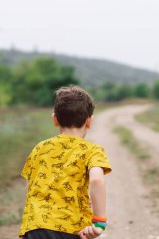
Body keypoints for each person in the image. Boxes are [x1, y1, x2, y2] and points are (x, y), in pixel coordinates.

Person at [19, 85, 112, 239]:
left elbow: (31, 186)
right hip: (71, 228)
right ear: (89, 121)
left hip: (36, 226)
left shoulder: (40, 148)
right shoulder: (92, 150)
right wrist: (99, 222)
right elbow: (97, 180)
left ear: (55, 119)